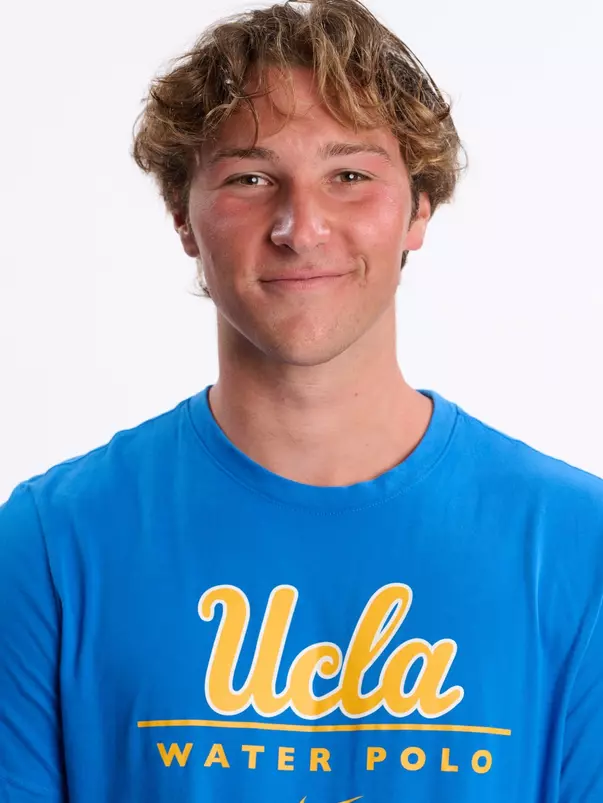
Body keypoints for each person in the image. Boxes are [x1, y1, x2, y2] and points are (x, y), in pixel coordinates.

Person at [1, 0, 602, 800]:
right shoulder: (49, 546)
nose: (300, 224)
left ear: (418, 209)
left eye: (349, 176)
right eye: (250, 178)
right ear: (182, 215)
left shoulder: (574, 548)